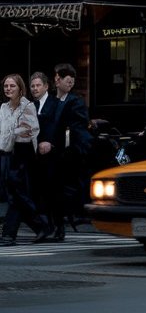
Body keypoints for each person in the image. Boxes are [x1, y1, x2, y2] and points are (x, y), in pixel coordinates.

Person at [1, 73, 52, 245]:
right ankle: (40, 227)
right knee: (15, 196)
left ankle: (10, 234)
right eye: (6, 86)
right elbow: (6, 133)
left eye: (12, 86)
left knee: (18, 195)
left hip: (24, 155)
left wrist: (12, 133)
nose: (8, 89)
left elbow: (31, 132)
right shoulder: (3, 108)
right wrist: (14, 131)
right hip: (8, 154)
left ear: (20, 88)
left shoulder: (27, 106)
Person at [52, 63, 94, 232]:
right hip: (58, 147)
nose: (70, 84)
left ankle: (73, 212)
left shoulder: (75, 101)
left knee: (72, 181)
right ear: (57, 80)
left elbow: (79, 124)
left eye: (72, 81)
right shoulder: (52, 100)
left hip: (74, 147)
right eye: (67, 81)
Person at [30, 71, 64, 241]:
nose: (35, 89)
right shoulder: (32, 106)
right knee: (39, 191)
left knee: (53, 192)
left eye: (38, 85)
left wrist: (51, 143)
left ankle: (58, 227)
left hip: (53, 155)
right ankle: (46, 225)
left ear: (46, 86)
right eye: (32, 86)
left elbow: (60, 128)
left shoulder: (56, 104)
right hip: (36, 155)